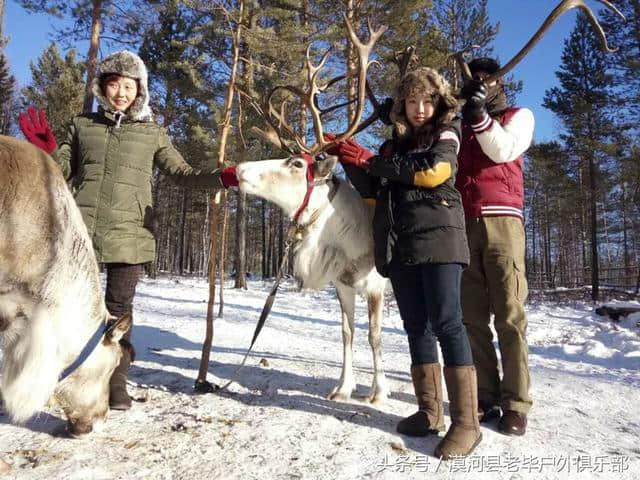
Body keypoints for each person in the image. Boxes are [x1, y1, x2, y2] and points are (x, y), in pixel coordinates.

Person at [19, 50, 238, 411]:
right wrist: (44, 151)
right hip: (79, 234)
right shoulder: (82, 125)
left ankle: (115, 379)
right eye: (113, 84)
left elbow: (181, 174)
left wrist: (223, 176)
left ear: (140, 90)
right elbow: (58, 174)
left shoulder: (152, 133)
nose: (120, 92)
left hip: (131, 234)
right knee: (62, 307)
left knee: (118, 311)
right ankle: (55, 373)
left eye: (128, 85)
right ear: (103, 87)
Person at [328, 67, 481, 459]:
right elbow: (373, 191)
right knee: (417, 326)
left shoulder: (447, 134)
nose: (419, 108)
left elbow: (433, 174)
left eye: (427, 100)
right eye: (412, 101)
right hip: (402, 245)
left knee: (447, 323)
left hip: (441, 241)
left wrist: (371, 160)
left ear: (439, 102)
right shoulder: (393, 147)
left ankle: (466, 424)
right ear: (402, 104)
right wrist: (348, 159)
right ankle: (429, 411)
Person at [456, 57, 535, 436]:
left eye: (489, 80)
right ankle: (484, 395)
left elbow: (502, 151)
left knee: (509, 315)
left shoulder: (520, 117)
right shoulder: (460, 126)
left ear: (501, 84)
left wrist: (477, 115)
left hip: (504, 223)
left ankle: (516, 403)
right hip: (464, 223)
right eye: (475, 80)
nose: (483, 84)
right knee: (472, 318)